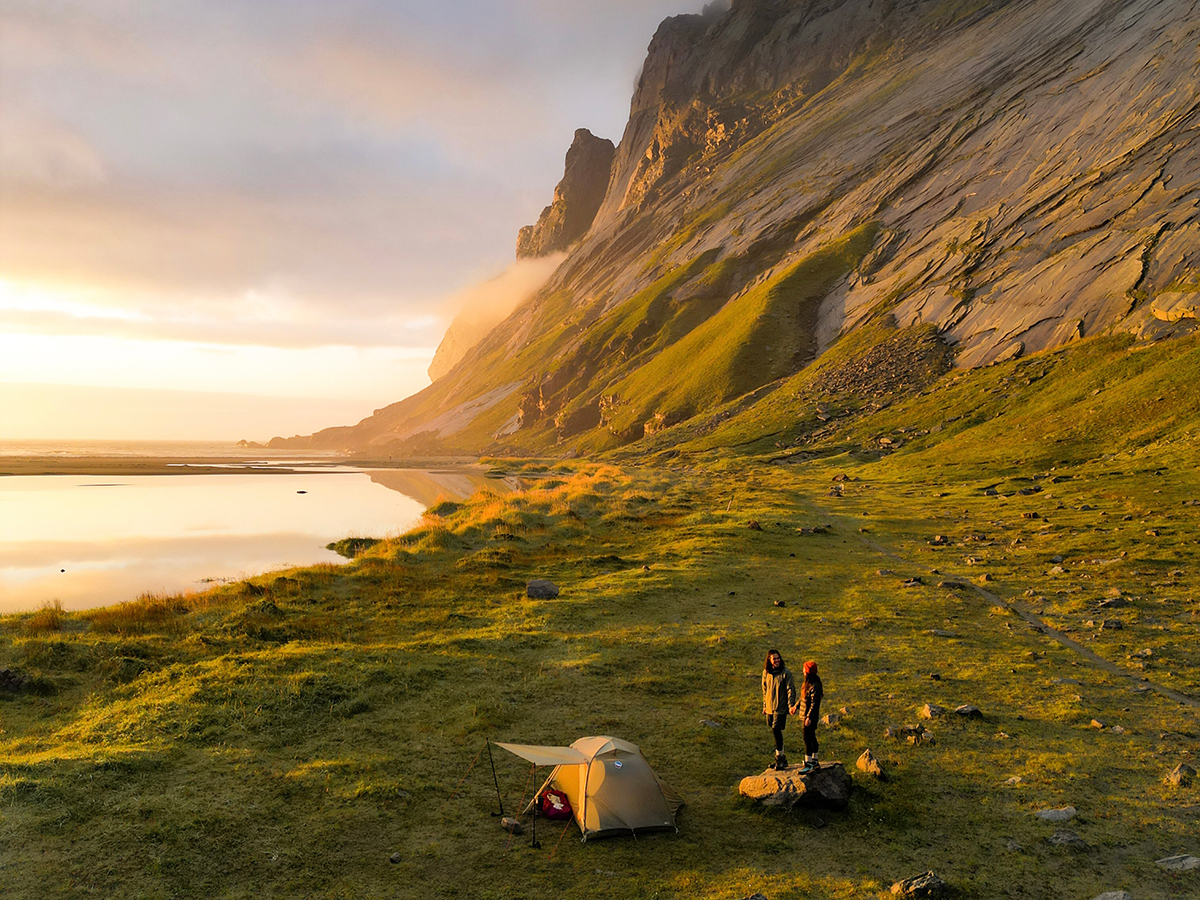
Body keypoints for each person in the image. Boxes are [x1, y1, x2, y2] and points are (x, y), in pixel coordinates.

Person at [761, 648, 797, 769]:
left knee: (776, 730)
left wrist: (791, 705)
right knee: (773, 730)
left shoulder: (785, 673)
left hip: (780, 707)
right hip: (770, 708)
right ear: (769, 660)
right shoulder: (766, 673)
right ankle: (780, 757)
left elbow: (790, 689)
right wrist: (765, 706)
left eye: (778, 658)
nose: (776, 661)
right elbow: (764, 690)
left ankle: (780, 758)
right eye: (774, 659)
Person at [798, 659, 824, 773]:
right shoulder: (807, 684)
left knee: (807, 738)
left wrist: (808, 717)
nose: (803, 671)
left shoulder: (814, 686)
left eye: (804, 669)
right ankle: (814, 760)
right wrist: (795, 706)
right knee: (811, 737)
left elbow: (814, 703)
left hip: (808, 717)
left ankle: (808, 762)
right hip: (805, 716)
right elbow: (803, 699)